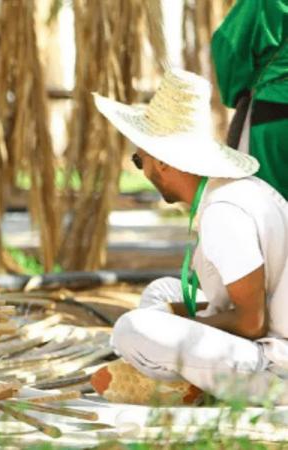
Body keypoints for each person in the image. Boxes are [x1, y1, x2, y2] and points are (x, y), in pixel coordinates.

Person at [93, 69, 288, 405]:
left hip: (275, 359)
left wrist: (178, 320)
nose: (145, 171)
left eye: (141, 160)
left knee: (132, 330)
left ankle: (270, 395)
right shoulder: (226, 193)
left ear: (165, 162)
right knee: (161, 292)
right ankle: (190, 381)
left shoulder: (223, 212)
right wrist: (172, 311)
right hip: (273, 328)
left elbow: (252, 322)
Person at [211, 0, 288, 199]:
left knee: (266, 205)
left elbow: (229, 47)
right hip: (275, 110)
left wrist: (236, 91)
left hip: (275, 114)